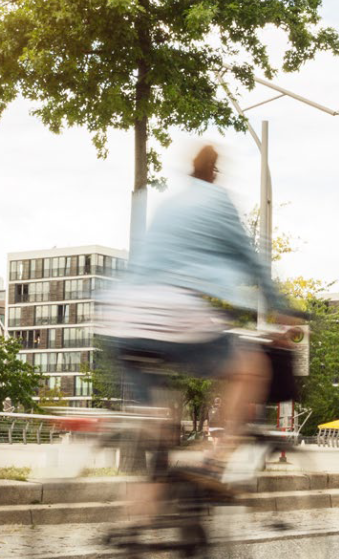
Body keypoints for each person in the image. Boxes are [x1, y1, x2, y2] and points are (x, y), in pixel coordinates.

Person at [99, 144, 289, 492]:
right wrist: (281, 309)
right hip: (173, 310)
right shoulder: (217, 201)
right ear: (214, 172)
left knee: (158, 429)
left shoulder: (169, 204)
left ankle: (134, 533)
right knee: (250, 368)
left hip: (123, 316)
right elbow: (251, 260)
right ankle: (212, 461)